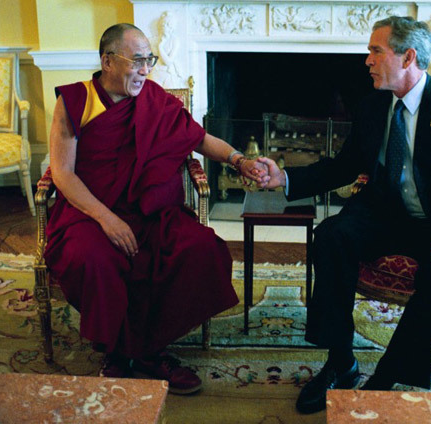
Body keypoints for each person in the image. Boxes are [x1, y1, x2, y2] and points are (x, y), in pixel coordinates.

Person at [258, 16, 431, 414]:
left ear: (408, 56)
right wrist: (285, 178)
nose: (367, 60)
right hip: (387, 213)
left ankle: (386, 378)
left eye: (375, 51)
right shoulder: (372, 105)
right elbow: (343, 167)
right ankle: (340, 362)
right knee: (331, 236)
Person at [44, 23, 267, 395]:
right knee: (93, 259)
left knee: (201, 249)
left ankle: (138, 350)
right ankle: (130, 352)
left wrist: (238, 160)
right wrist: (107, 219)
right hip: (90, 213)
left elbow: (199, 138)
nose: (146, 70)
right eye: (138, 61)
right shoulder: (75, 101)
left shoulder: (156, 100)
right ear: (108, 61)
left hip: (150, 212)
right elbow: (63, 175)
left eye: (150, 60)